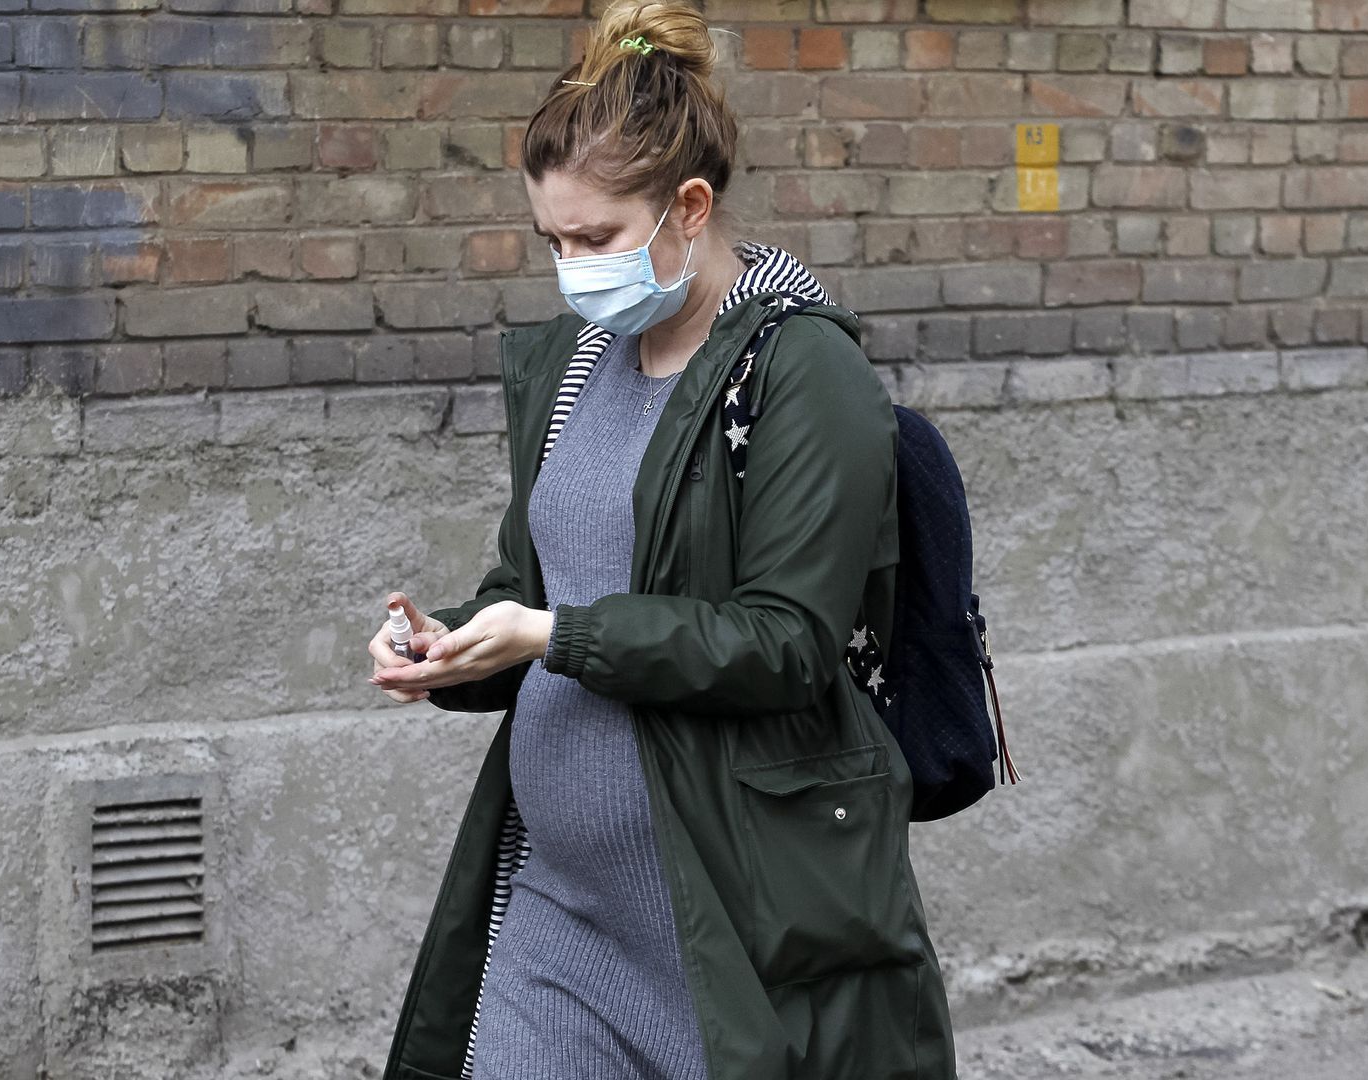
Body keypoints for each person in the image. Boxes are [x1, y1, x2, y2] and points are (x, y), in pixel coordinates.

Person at [366, 3, 956, 1077]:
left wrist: (557, 636)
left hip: (729, 922)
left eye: (596, 238)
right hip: (556, 909)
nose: (572, 268)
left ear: (689, 207)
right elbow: (537, 583)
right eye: (554, 241)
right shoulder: (576, 365)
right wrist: (450, 645)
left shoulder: (800, 371)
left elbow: (785, 642)